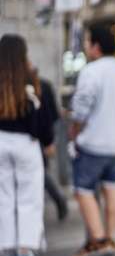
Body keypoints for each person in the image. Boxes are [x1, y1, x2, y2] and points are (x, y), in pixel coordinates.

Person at [68, 24, 115, 256]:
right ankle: (109, 237)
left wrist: (75, 133)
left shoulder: (92, 71)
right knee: (112, 187)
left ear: (96, 46)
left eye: (88, 42)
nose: (86, 47)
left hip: (94, 143)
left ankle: (98, 240)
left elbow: (81, 109)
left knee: (83, 189)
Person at [0, 34, 57, 256]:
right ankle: (25, 253)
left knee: (3, 199)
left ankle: (7, 253)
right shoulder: (36, 83)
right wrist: (48, 142)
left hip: (0, 142)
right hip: (27, 144)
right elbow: (45, 119)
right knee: (29, 199)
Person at [39, 77, 69, 222]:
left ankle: (58, 198)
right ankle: (58, 199)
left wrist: (48, 141)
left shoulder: (38, 86)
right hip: (36, 138)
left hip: (33, 139)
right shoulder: (41, 85)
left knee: (40, 175)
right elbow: (52, 116)